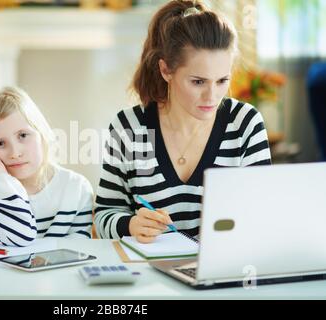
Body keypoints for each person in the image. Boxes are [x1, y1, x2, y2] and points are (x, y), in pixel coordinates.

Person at [94, 0, 272, 243]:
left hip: (223, 271)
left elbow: (264, 216)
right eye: (198, 82)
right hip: (149, 273)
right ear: (166, 71)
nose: (212, 96)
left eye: (221, 81)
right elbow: (104, 216)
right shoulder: (129, 126)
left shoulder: (245, 124)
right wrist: (131, 224)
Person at [0, 86, 94, 247]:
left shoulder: (77, 188)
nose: (15, 153)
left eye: (23, 135)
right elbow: (18, 238)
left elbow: (79, 250)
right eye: (0, 143)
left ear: (42, 134)